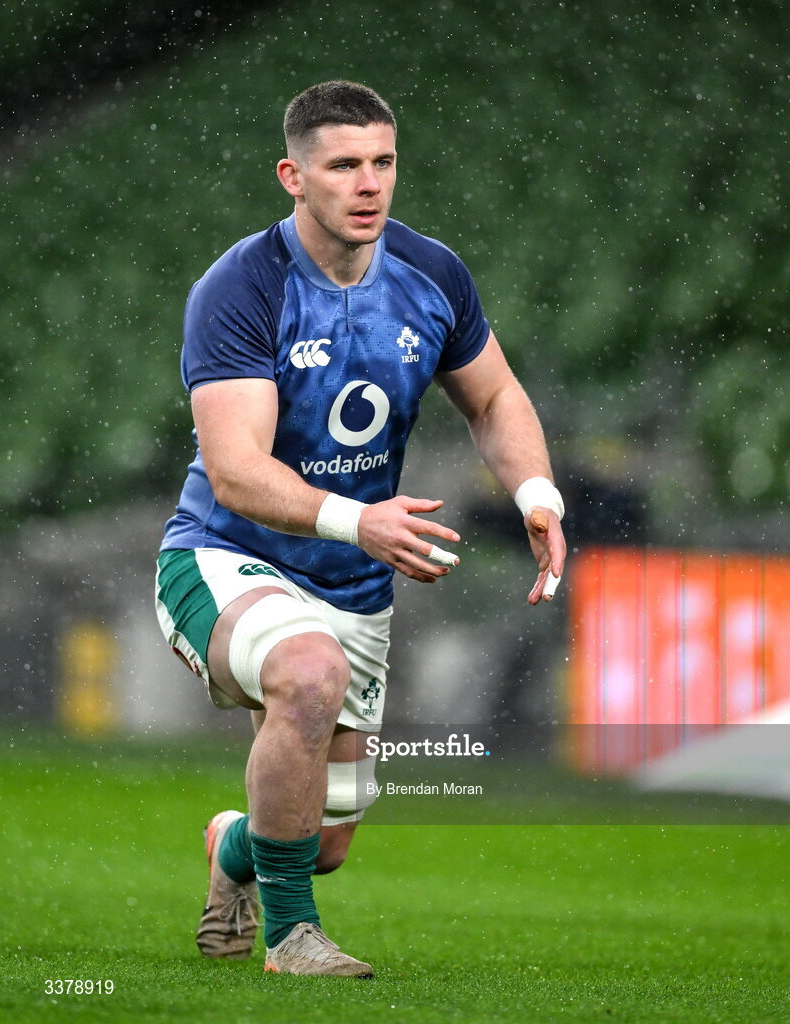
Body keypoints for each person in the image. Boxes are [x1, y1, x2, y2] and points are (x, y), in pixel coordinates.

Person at [155, 80, 566, 978]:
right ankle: (291, 942)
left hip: (352, 583)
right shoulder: (239, 288)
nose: (368, 183)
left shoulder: (431, 274)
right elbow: (236, 470)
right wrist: (356, 520)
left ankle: (235, 849)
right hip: (224, 558)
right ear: (292, 177)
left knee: (324, 841)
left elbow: (493, 395)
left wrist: (537, 492)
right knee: (308, 670)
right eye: (343, 165)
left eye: (382, 161)